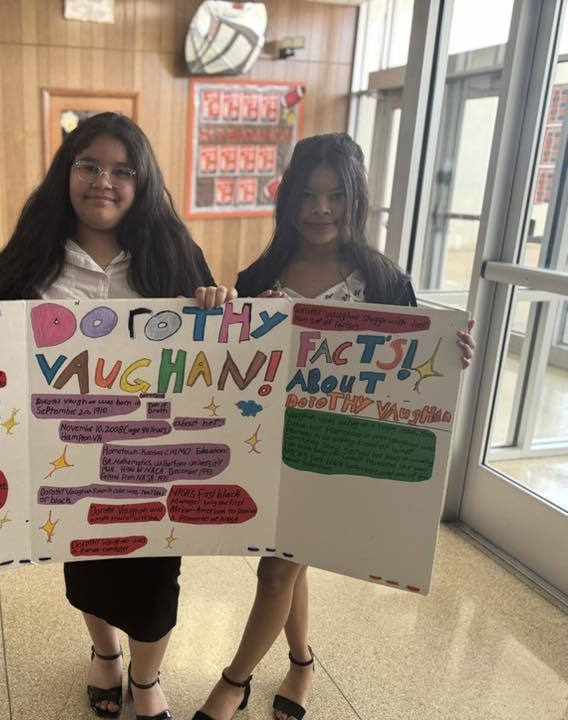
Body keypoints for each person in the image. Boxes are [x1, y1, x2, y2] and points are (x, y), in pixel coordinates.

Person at [0, 112, 228, 720]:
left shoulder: (177, 251)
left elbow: (217, 346)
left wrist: (216, 303)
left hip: (155, 462)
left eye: (123, 171)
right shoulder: (34, 250)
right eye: (90, 166)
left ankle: (147, 676)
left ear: (143, 181)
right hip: (67, 460)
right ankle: (105, 654)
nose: (104, 181)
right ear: (67, 172)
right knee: (87, 569)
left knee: (156, 580)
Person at [191, 132, 476, 720]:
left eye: (336, 195)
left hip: (341, 451)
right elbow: (234, 363)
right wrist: (220, 314)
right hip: (270, 445)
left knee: (276, 569)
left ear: (357, 199)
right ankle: (300, 662)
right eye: (307, 194)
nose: (320, 209)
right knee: (290, 553)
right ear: (289, 199)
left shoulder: (384, 280)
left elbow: (413, 366)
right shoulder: (259, 273)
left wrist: (451, 354)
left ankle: (233, 681)